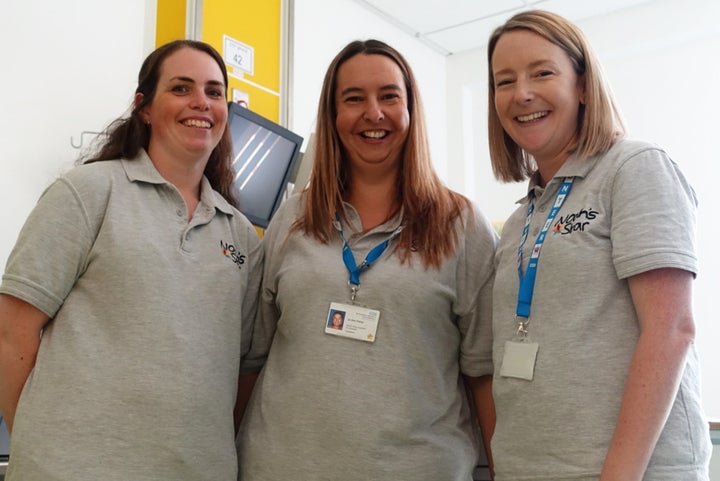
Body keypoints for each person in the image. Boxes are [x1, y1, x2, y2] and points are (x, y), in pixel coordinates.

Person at [0, 39, 262, 481]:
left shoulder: (239, 235)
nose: (201, 102)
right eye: (181, 88)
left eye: (214, 92)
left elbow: (242, 372)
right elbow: (12, 334)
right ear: (143, 107)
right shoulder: (88, 192)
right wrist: (40, 442)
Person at [237, 39, 497, 480]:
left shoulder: (462, 225)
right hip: (281, 466)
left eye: (389, 96)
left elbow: (483, 375)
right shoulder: (294, 218)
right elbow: (252, 357)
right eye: (353, 98)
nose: (373, 113)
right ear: (333, 116)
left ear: (411, 110)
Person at [486, 10, 712, 481]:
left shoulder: (634, 168)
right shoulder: (520, 218)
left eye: (542, 72)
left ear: (584, 84)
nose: (521, 93)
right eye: (504, 81)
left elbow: (671, 331)